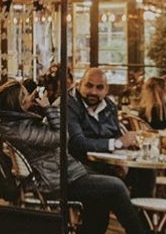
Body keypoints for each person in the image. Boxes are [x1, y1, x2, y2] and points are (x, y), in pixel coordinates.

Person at [0, 79, 162, 234]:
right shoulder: (19, 128)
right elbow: (60, 137)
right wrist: (48, 108)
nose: (30, 98)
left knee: (109, 185)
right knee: (115, 187)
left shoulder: (19, 121)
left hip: (62, 173)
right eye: (26, 96)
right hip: (56, 181)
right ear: (17, 103)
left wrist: (38, 108)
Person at [66, 66, 155, 199]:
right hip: (82, 167)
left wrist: (127, 144)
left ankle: (141, 214)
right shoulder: (70, 105)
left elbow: (116, 135)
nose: (93, 92)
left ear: (106, 90)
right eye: (89, 86)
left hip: (108, 164)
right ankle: (135, 217)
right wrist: (118, 143)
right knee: (115, 186)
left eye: (99, 87)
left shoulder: (109, 106)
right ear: (79, 85)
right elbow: (78, 144)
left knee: (146, 171)